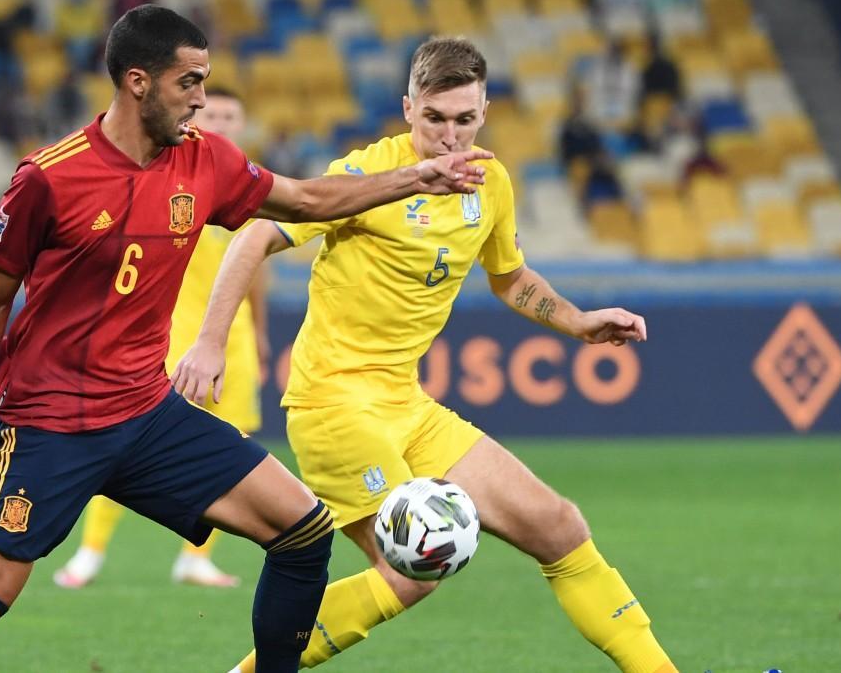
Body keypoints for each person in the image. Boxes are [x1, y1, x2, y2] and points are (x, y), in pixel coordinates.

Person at [0, 7, 491, 673]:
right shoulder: (50, 178)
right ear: (138, 82)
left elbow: (308, 200)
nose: (202, 97)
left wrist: (416, 177)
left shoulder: (205, 161)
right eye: (189, 82)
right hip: (54, 423)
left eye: (205, 80)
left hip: (147, 413)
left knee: (303, 530)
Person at [173, 37, 678, 673]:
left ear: (485, 112)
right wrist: (210, 341)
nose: (449, 136)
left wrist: (579, 323)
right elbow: (251, 240)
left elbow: (510, 278)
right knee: (409, 571)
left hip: (405, 405)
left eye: (464, 119)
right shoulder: (364, 178)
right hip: (333, 404)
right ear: (409, 107)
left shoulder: (489, 183)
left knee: (559, 526)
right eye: (434, 118)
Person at [54, 87, 268, 590]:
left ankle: (196, 557)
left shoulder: (248, 189)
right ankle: (90, 552)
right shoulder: (172, 175)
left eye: (231, 115)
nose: (221, 120)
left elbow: (256, 266)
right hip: (170, 340)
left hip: (232, 344)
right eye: (212, 112)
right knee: (127, 446)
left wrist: (258, 333)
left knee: (232, 453)